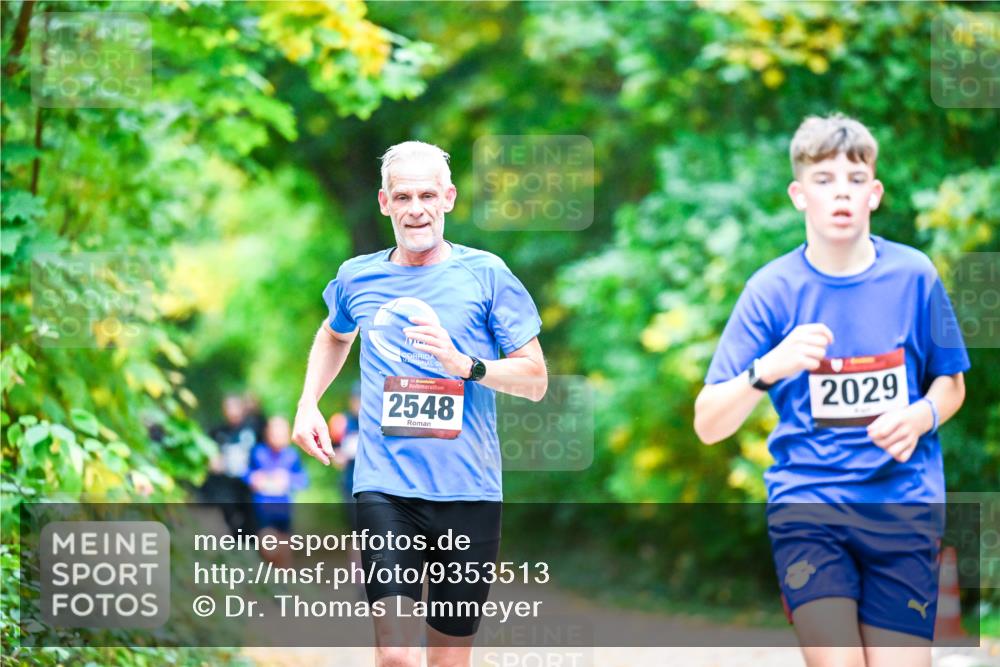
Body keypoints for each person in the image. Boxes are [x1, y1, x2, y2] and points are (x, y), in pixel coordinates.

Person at [693, 113, 969, 667]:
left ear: (875, 193)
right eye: (824, 181)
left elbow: (951, 384)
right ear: (799, 194)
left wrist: (920, 417)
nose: (840, 192)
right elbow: (708, 423)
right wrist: (765, 369)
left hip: (904, 507)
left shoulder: (914, 275)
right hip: (810, 508)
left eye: (855, 179)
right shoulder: (771, 291)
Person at [292, 140, 547, 667]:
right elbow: (334, 334)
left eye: (427, 195)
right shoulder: (357, 276)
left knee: (448, 662)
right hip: (386, 487)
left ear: (448, 198)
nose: (416, 209)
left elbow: (535, 379)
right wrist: (307, 402)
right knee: (396, 654)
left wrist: (466, 366)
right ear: (384, 203)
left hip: (469, 492)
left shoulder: (487, 275)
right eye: (402, 196)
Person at [246, 415, 308, 568]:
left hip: (284, 510)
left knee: (284, 554)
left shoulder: (292, 455)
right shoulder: (257, 452)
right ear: (267, 433)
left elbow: (303, 480)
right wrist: (252, 479)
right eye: (274, 432)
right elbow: (246, 473)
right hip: (263, 510)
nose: (278, 436)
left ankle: (284, 586)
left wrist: (288, 479)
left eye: (282, 432)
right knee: (268, 548)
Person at [202, 394, 258, 536]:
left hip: (249, 484)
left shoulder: (254, 428)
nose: (232, 411)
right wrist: (213, 459)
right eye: (228, 407)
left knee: (251, 521)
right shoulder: (218, 431)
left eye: (235, 407)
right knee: (229, 514)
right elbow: (208, 450)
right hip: (226, 485)